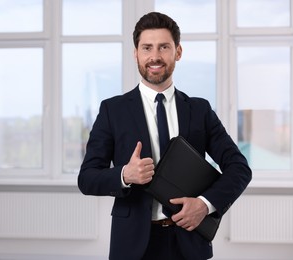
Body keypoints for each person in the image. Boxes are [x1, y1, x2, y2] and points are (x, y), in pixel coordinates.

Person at [78, 12, 252, 260]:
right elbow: (87, 178)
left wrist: (204, 204)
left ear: (178, 52)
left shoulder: (199, 110)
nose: (155, 56)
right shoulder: (112, 110)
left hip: (189, 240)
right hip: (132, 244)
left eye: (164, 47)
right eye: (147, 47)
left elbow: (239, 168)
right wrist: (124, 175)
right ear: (135, 53)